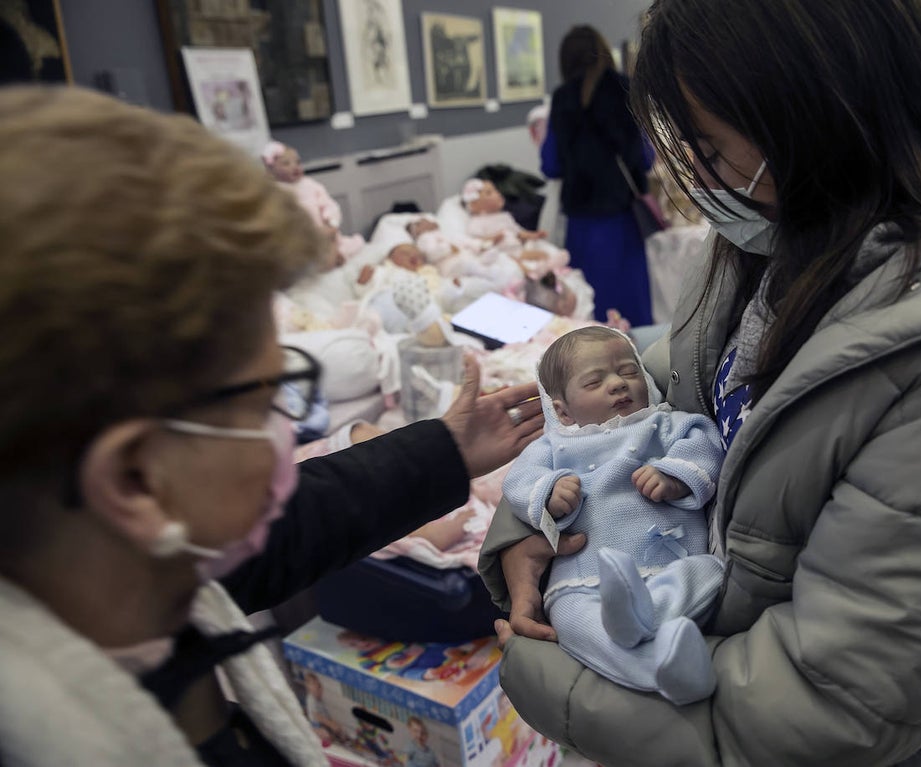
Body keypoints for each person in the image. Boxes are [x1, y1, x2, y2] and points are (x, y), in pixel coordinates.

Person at [478, 1, 921, 765]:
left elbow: (820, 717)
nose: (697, 178)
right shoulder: (774, 245)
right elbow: (668, 384)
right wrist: (528, 522)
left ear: (816, 115)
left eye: (712, 150)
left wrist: (540, 668)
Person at [0, 86, 544, 767]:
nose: (283, 431)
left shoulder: (117, 577)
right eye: (265, 404)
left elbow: (302, 519)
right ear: (136, 479)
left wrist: (447, 449)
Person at [501, 327, 724, 704]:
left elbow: (707, 445)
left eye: (629, 371)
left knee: (712, 572)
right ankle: (665, 668)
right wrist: (549, 493)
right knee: (570, 620)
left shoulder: (664, 423)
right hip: (581, 579)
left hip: (671, 565)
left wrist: (675, 476)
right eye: (595, 380)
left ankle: (643, 615)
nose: (618, 384)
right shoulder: (553, 446)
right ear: (562, 410)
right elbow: (518, 482)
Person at [541, 25, 654, 327]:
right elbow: (644, 158)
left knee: (588, 312)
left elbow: (550, 164)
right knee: (631, 313)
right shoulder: (624, 88)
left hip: (580, 226)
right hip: (620, 222)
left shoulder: (562, 97)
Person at [262, 140, 365, 269]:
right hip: (301, 240)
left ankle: (338, 254)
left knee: (355, 244)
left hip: (326, 234)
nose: (295, 167)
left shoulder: (310, 185)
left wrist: (331, 223)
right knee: (302, 261)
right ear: (271, 170)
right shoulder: (274, 192)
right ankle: (325, 261)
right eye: (286, 163)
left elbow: (329, 205)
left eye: (298, 162)